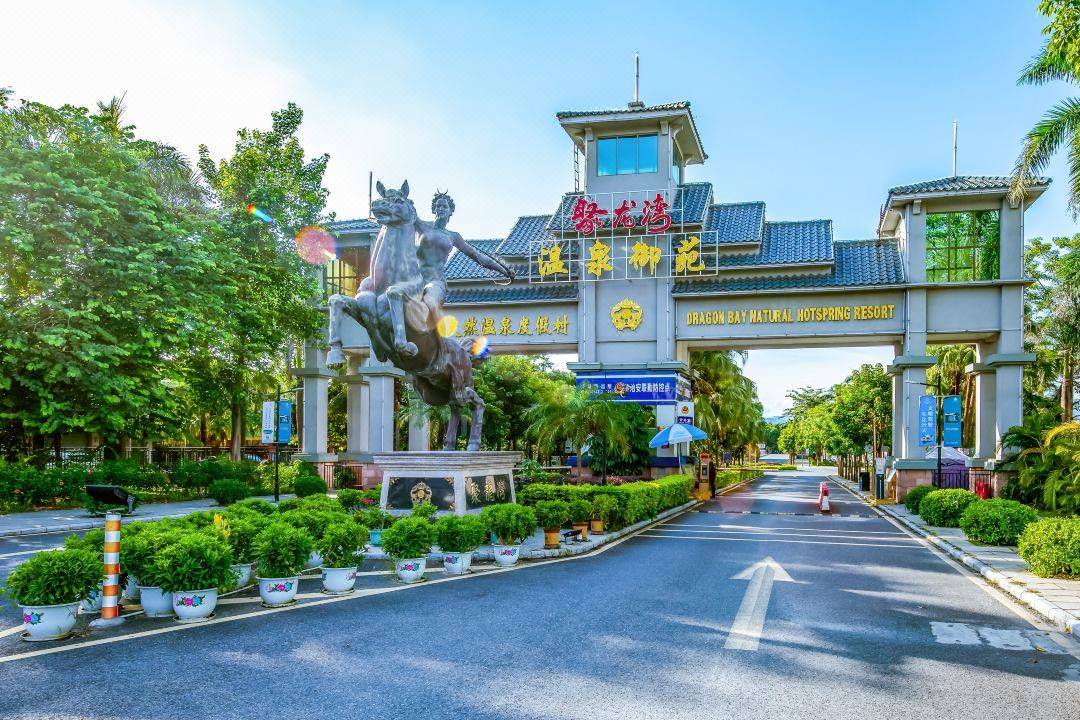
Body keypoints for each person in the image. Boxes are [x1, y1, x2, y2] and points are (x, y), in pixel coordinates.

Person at [414, 191, 514, 329]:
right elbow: (402, 213)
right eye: (438, 206)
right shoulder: (421, 225)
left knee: (430, 300)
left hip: (436, 281)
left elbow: (477, 256)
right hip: (416, 279)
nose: (441, 209)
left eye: (444, 206)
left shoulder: (453, 236)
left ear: (450, 211)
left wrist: (503, 269)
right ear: (433, 209)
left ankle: (436, 335)